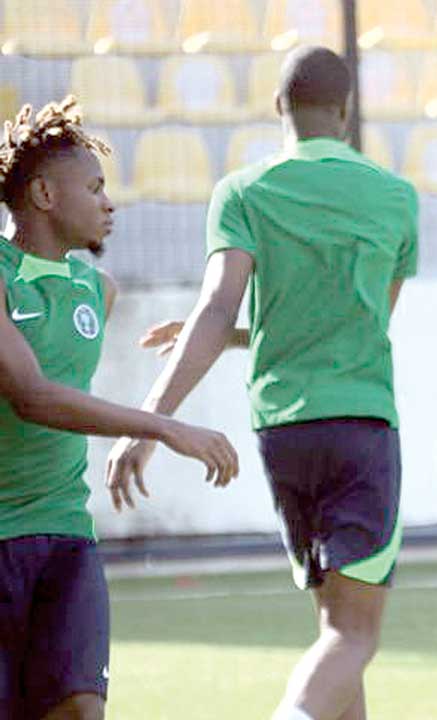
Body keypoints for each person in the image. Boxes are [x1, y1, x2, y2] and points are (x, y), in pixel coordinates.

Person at [107, 46, 418, 720]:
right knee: (354, 633)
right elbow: (363, 323)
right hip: (361, 428)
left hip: (284, 435)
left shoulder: (243, 192)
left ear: (279, 106)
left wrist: (150, 421)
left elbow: (218, 308)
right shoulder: (397, 197)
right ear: (346, 111)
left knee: (335, 627)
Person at [0, 96, 237, 720]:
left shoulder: (97, 291)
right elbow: (31, 396)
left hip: (66, 535)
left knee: (82, 708)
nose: (109, 203)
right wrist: (162, 427)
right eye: (95, 187)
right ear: (44, 195)